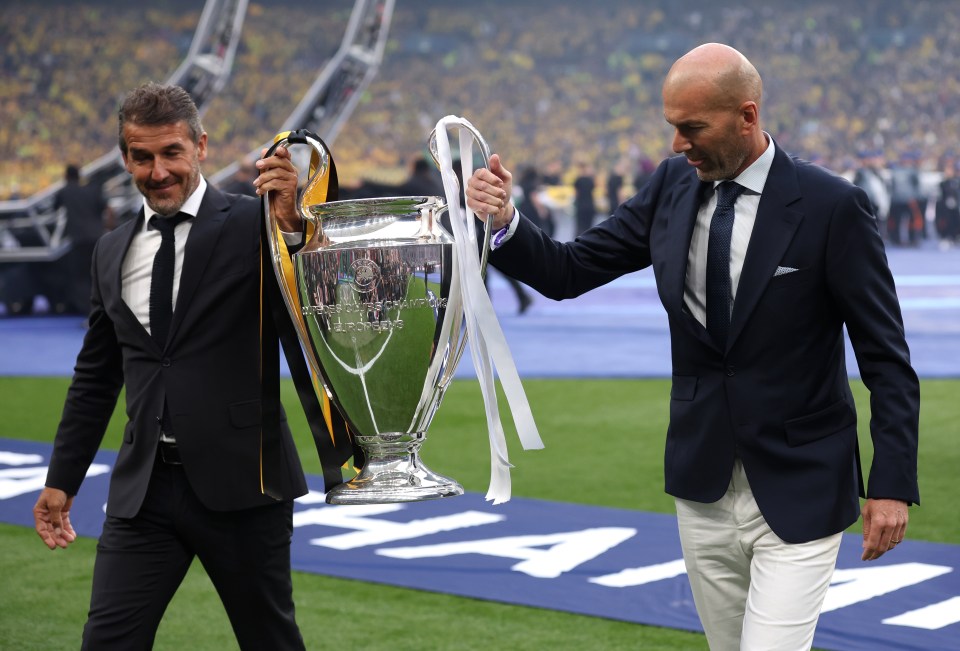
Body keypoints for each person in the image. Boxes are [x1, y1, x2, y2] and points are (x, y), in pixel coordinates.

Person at [466, 43, 919, 651]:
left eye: (692, 128)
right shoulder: (671, 188)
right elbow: (568, 272)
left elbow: (884, 356)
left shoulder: (831, 205)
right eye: (673, 128)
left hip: (800, 481)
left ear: (747, 116)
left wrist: (890, 481)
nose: (678, 144)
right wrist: (504, 221)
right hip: (702, 481)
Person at [32, 82, 319, 650]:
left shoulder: (253, 224)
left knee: (271, 641)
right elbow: (95, 377)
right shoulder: (110, 251)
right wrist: (61, 481)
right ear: (125, 159)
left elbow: (311, 313)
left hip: (245, 485)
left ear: (201, 147)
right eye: (142, 157)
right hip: (144, 492)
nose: (157, 171)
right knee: (106, 642)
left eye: (171, 154)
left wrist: (293, 228)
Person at [52, 163, 113, 313]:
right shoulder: (92, 190)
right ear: (80, 176)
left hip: (79, 240)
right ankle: (105, 312)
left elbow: (54, 208)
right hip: (98, 238)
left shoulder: (64, 191)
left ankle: (91, 313)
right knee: (99, 276)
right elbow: (108, 210)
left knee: (81, 279)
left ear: (66, 176)